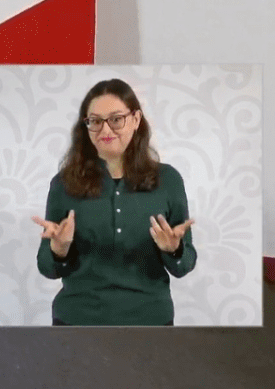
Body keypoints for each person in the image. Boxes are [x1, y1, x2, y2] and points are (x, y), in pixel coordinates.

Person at [31, 78, 197, 326]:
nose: (105, 131)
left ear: (136, 119)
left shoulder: (168, 180)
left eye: (116, 119)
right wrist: (59, 249)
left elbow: (184, 266)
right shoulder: (64, 183)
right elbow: (47, 268)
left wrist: (174, 249)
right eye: (95, 121)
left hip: (150, 318)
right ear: (85, 126)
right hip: (77, 317)